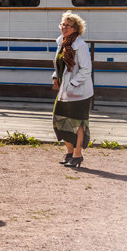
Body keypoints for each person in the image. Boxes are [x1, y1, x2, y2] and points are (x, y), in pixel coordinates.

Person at [53, 12, 93, 168]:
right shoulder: (61, 42)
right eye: (62, 24)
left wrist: (72, 84)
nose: (64, 27)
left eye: (67, 25)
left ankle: (77, 155)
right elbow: (59, 65)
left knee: (77, 122)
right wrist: (55, 77)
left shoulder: (80, 45)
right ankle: (69, 151)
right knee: (60, 119)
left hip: (79, 92)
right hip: (64, 90)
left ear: (76, 28)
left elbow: (86, 69)